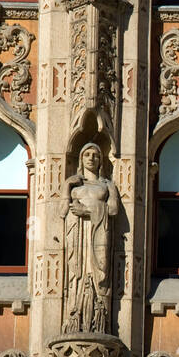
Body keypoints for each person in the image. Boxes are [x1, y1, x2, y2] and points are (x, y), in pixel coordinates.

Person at [63, 143, 120, 335]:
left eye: (95, 155)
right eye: (86, 154)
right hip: (77, 234)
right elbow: (62, 212)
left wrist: (86, 211)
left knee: (100, 272)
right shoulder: (74, 184)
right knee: (76, 274)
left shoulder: (107, 185)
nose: (91, 158)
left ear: (101, 160)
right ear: (81, 158)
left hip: (98, 233)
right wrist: (66, 187)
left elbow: (112, 210)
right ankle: (75, 316)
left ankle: (99, 319)